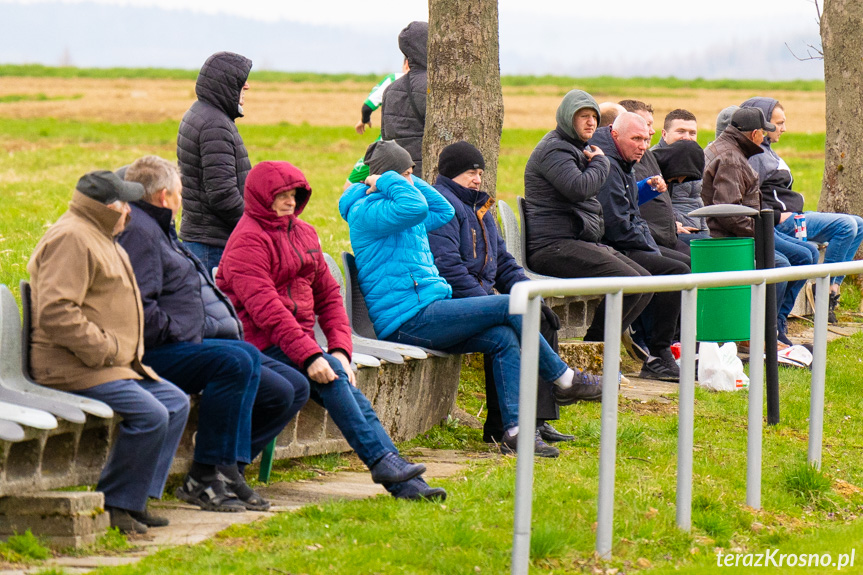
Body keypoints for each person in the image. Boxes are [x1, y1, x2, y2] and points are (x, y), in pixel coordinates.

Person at [341, 140, 603, 459]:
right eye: (405, 174)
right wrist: (385, 177)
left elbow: (442, 209)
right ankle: (565, 379)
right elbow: (416, 206)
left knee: (504, 337)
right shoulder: (367, 211)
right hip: (406, 320)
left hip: (429, 310)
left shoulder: (397, 208)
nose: (411, 180)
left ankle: (514, 433)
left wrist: (400, 175)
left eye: (412, 173)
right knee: (510, 305)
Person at [217, 160, 444, 501]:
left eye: (294, 194)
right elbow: (268, 311)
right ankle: (391, 469)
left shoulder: (304, 233)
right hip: (256, 345)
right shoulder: (246, 242)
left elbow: (329, 297)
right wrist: (310, 355)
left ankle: (398, 476)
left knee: (339, 375)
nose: (289, 201)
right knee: (333, 379)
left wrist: (339, 349)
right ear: (261, 197)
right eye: (280, 195)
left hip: (294, 344)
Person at [119, 156, 309, 513]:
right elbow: (142, 310)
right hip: (156, 349)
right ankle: (207, 475)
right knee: (235, 360)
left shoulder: (158, 227)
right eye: (179, 192)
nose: (182, 199)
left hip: (187, 338)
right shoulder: (142, 233)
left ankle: (226, 470)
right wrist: (185, 333)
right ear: (163, 196)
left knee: (287, 386)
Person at [27, 171, 190, 534]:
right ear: (107, 207)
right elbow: (56, 311)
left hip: (111, 365)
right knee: (151, 414)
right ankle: (115, 504)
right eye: (125, 203)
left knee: (175, 403)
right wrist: (105, 348)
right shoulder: (72, 238)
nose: (131, 211)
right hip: (75, 366)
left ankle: (136, 499)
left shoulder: (101, 235)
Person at [426, 141, 573, 447]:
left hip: (481, 295)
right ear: (452, 174)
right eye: (470, 173)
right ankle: (501, 424)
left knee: (543, 317)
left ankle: (536, 419)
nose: (478, 179)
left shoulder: (479, 207)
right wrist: (489, 300)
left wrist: (529, 292)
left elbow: (504, 261)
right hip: (456, 301)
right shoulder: (443, 208)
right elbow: (449, 269)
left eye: (480, 172)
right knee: (507, 326)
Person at [523, 90, 652, 368]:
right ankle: (594, 355)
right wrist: (602, 162)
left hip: (572, 241)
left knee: (645, 281)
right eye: (584, 116)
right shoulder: (555, 149)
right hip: (552, 246)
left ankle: (598, 350)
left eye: (594, 117)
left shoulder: (575, 148)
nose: (591, 122)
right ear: (568, 118)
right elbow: (579, 187)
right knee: (631, 282)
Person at [741, 97, 863, 324]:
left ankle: (833, 285)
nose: (784, 129)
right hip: (785, 223)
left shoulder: (769, 152)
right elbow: (749, 196)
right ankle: (823, 289)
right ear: (763, 124)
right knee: (846, 226)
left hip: (796, 216)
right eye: (779, 123)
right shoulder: (756, 156)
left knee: (859, 223)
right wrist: (777, 216)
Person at [590, 112, 691, 380]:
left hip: (621, 241)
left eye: (646, 139)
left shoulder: (621, 159)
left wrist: (645, 189)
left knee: (681, 265)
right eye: (636, 138)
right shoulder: (609, 164)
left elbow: (627, 204)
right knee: (673, 271)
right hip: (610, 245)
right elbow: (615, 224)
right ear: (614, 134)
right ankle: (656, 352)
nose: (643, 146)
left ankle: (665, 347)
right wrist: (648, 245)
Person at [702, 106, 803, 349]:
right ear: (754, 133)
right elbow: (730, 212)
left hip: (730, 235)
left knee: (792, 258)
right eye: (764, 132)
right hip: (726, 242)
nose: (766, 137)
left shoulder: (726, 148)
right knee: (779, 265)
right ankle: (759, 335)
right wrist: (762, 234)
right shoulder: (732, 159)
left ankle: (764, 331)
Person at [178, 51, 253, 273]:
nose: (247, 86)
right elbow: (222, 194)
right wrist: (256, 226)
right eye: (241, 81)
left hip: (204, 239)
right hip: (213, 245)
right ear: (227, 83)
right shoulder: (214, 125)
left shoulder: (202, 114)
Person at [343, 62, 412, 190]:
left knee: (349, 187)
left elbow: (367, 106)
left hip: (389, 146)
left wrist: (365, 119)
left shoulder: (393, 79)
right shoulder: (432, 81)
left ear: (406, 64)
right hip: (416, 148)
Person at [653, 109, 710, 242]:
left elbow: (697, 201)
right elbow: (656, 208)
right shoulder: (655, 161)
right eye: (681, 131)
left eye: (692, 133)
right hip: (673, 233)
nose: (687, 137)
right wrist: (672, 226)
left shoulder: (694, 159)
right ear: (664, 134)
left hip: (697, 231)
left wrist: (705, 231)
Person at [381, 21, 428, 178]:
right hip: (427, 170)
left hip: (398, 172)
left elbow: (386, 137)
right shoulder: (436, 87)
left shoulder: (390, 90)